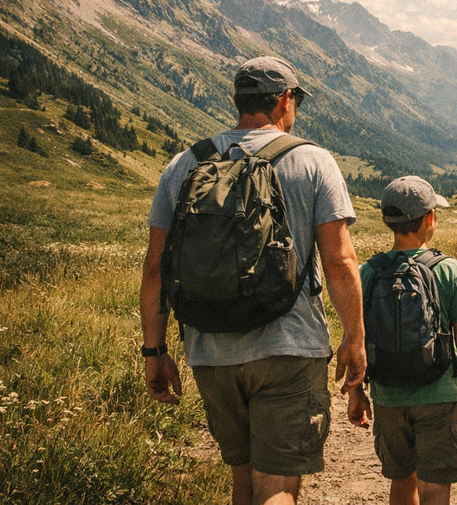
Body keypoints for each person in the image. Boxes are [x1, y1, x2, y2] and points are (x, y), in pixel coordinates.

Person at [140, 55, 366, 505]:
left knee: (242, 479)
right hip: (289, 348)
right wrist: (355, 339)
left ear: (239, 101)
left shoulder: (184, 164)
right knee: (277, 483)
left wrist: (155, 351)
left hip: (210, 351)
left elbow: (155, 268)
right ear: (284, 99)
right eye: (296, 99)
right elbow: (340, 262)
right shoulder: (312, 161)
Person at [348, 175, 457, 505]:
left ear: (385, 221)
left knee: (401, 481)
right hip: (439, 395)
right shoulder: (448, 270)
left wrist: (356, 393)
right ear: (430, 218)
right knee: (435, 486)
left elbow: (355, 339)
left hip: (388, 398)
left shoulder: (367, 273)